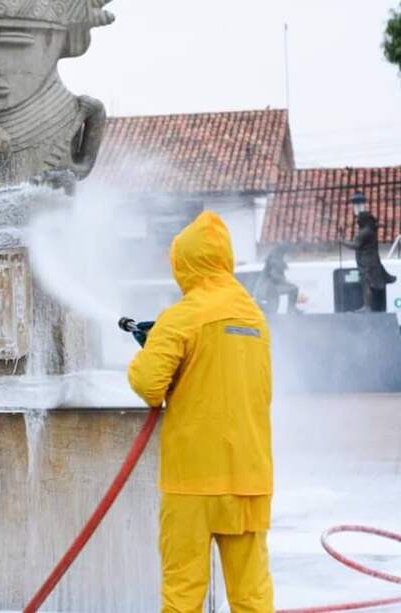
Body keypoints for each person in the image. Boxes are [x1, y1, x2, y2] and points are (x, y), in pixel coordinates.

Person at [128, 211, 274, 612]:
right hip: (249, 477)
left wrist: (154, 345)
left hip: (192, 481)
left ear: (185, 263)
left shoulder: (182, 317)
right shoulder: (254, 317)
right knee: (252, 594)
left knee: (184, 592)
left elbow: (148, 384)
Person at [342, 211, 397, 312]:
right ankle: (368, 306)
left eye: (359, 220)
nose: (357, 222)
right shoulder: (370, 230)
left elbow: (355, 245)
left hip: (367, 263)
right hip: (371, 261)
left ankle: (367, 307)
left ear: (363, 220)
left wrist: (342, 242)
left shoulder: (364, 232)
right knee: (369, 284)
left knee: (367, 284)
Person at [253, 245, 301, 314]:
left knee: (272, 310)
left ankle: (291, 309)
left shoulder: (275, 258)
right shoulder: (275, 259)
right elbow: (275, 275)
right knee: (294, 289)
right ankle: (291, 309)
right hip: (268, 289)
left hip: (270, 288)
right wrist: (287, 283)